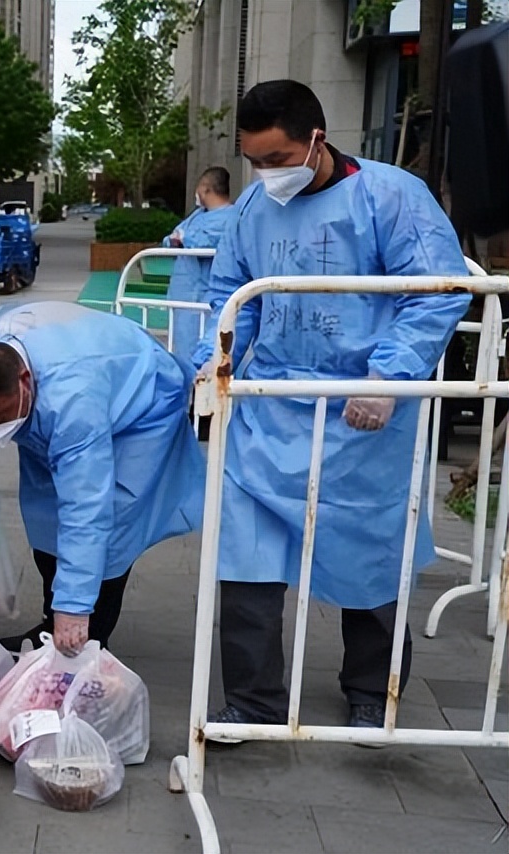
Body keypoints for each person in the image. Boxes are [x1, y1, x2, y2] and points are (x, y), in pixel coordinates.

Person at [191, 80, 470, 737]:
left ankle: (373, 691)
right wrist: (215, 358)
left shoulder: (390, 194)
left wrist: (389, 377)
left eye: (279, 158)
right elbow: (233, 295)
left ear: (317, 138)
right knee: (245, 559)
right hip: (272, 403)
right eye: (255, 161)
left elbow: (437, 289)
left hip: (363, 408)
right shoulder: (254, 206)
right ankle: (254, 702)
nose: (267, 174)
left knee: (370, 552)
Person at [0, 302, 205, 655]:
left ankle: (89, 638)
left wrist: (75, 605)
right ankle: (52, 623)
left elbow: (86, 507)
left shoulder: (73, 398)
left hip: (141, 407)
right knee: (43, 513)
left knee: (112, 520)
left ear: (24, 381)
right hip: (59, 394)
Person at [163, 167, 234, 358]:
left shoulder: (231, 217)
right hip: (184, 297)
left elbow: (209, 242)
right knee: (182, 345)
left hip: (205, 295)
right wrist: (176, 240)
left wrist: (186, 238)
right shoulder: (198, 215)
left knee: (207, 347)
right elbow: (174, 236)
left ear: (205, 189)